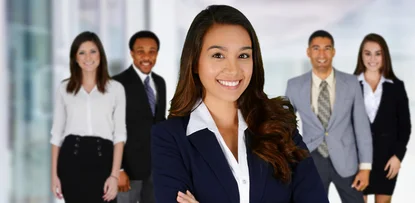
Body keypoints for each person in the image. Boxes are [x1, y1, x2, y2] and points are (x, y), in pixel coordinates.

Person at [150, 5, 329, 203]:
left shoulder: (281, 127)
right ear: (194, 63)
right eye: (218, 55)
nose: (233, 69)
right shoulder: (170, 138)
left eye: (243, 56)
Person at [285, 30, 373, 203]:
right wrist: (289, 161)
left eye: (327, 48)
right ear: (308, 52)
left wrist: (365, 167)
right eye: (316, 48)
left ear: (333, 51)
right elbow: (285, 126)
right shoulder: (294, 85)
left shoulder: (351, 83)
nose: (322, 54)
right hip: (312, 158)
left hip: (347, 160)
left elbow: (362, 127)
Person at [50, 31, 126, 203]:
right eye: (81, 52)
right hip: (71, 159)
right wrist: (54, 175)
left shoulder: (116, 89)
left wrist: (114, 175)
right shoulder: (64, 89)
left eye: (93, 51)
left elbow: (119, 136)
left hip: (104, 158)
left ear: (100, 55)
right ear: (75, 58)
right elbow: (56, 135)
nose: (88, 57)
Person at [353, 33, 412, 203]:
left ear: (384, 56)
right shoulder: (349, 84)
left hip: (387, 161)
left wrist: (398, 157)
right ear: (361, 55)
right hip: (357, 161)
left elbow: (405, 126)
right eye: (368, 53)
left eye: (378, 53)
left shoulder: (396, 87)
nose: (372, 59)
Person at [112, 30, 166, 203]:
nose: (146, 56)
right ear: (132, 53)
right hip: (128, 171)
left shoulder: (159, 83)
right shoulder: (117, 84)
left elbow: (158, 122)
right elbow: (110, 128)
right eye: (141, 51)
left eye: (152, 51)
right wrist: (118, 170)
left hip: (155, 169)